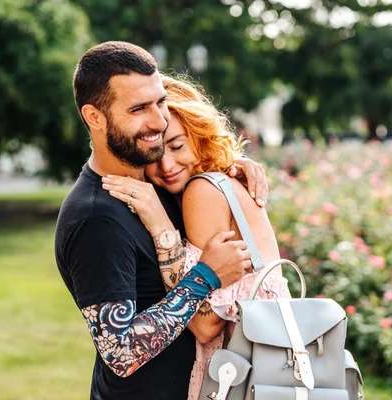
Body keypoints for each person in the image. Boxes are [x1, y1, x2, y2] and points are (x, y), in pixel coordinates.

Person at [54, 41, 268, 400]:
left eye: (160, 102)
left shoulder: (158, 185)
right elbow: (120, 353)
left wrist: (227, 169)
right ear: (95, 117)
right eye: (139, 108)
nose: (157, 120)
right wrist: (205, 277)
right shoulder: (95, 218)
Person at [101, 75, 291, 399]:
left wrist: (163, 230)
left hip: (240, 378)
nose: (167, 165)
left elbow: (205, 326)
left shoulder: (200, 191)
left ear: (198, 134)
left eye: (176, 146)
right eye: (154, 154)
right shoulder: (221, 180)